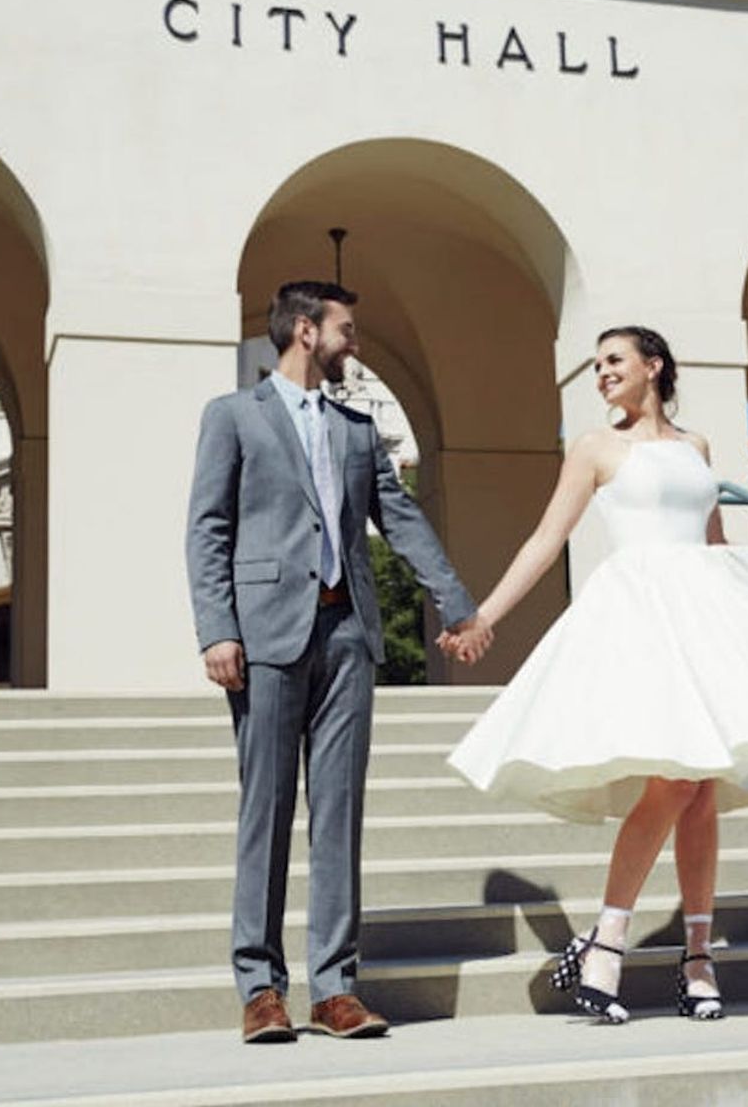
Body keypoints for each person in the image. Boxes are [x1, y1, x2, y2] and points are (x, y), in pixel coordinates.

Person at [442, 325, 748, 1023]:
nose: (602, 373)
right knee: (672, 778)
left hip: (703, 614)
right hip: (640, 618)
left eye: (614, 361)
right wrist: (481, 615)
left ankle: (698, 957)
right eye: (598, 365)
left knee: (701, 786)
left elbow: (714, 546)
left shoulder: (697, 447)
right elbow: (546, 539)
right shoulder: (594, 448)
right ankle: (606, 941)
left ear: (653, 366)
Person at [186, 281, 492, 1043]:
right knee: (266, 811)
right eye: (345, 329)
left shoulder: (357, 429)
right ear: (303, 329)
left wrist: (457, 602)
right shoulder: (233, 417)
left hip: (347, 634)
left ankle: (334, 988)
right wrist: (216, 629)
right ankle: (260, 988)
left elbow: (403, 520)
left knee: (340, 813)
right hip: (262, 637)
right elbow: (208, 529)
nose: (355, 343)